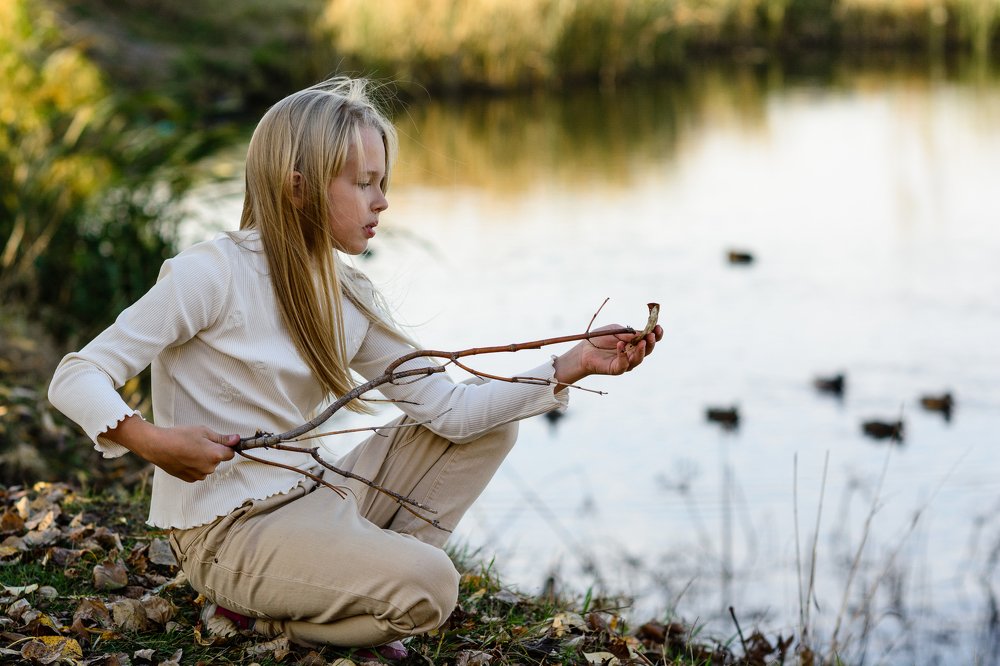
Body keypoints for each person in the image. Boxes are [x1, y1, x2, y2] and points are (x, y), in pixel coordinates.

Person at [47, 77, 662, 657]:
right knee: (433, 588)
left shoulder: (349, 296)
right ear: (298, 188)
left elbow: (448, 411)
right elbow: (76, 375)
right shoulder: (211, 274)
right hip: (228, 530)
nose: (383, 201)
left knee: (490, 427)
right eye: (364, 183)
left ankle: (347, 582)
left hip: (315, 493)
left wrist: (572, 364)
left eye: (382, 181)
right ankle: (282, 613)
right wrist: (151, 442)